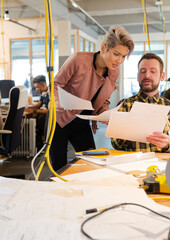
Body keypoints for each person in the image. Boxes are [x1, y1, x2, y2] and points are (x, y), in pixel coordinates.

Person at [51, 25, 134, 171]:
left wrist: (105, 112)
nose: (119, 60)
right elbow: (56, 84)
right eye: (116, 54)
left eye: (123, 56)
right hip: (60, 120)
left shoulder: (114, 72)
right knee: (59, 168)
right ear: (103, 48)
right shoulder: (78, 60)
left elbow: (104, 99)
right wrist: (60, 104)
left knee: (92, 163)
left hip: (82, 121)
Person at [111, 53, 170, 152]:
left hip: (161, 165)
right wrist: (127, 129)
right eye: (142, 71)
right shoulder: (124, 105)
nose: (147, 75)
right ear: (137, 76)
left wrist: (168, 145)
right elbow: (116, 145)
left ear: (162, 76)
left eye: (153, 71)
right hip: (132, 165)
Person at [24, 75, 50, 150]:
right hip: (44, 116)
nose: (36, 89)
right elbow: (38, 105)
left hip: (49, 117)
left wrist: (34, 111)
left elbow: (50, 111)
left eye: (37, 87)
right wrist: (27, 108)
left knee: (40, 118)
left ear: (43, 85)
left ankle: (39, 145)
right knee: (36, 116)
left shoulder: (50, 93)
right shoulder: (43, 93)